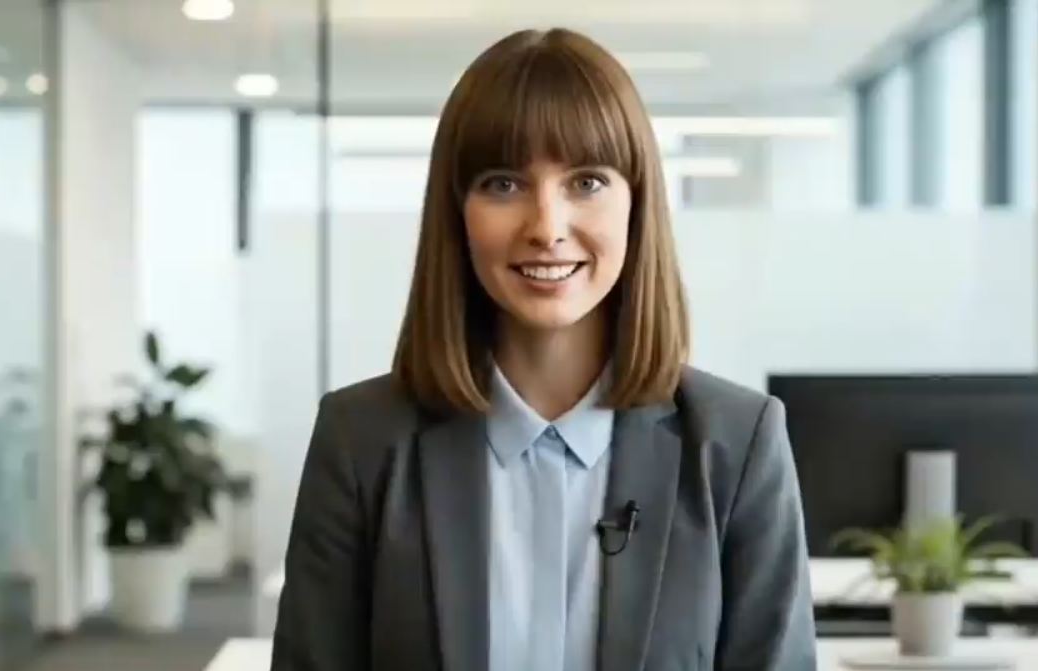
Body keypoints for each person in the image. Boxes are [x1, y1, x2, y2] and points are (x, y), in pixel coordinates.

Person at [271, 27, 815, 671]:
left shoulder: (736, 443)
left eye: (586, 182)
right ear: (457, 213)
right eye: (504, 184)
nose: (547, 227)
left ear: (637, 204)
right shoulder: (361, 440)